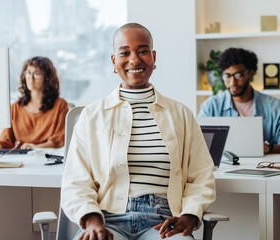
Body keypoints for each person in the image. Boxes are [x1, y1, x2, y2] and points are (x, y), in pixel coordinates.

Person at [61, 23, 216, 240]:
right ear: (114, 61)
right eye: (125, 52)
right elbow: (75, 181)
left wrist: (190, 215)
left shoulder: (181, 114)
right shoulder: (91, 116)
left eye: (143, 51)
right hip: (107, 218)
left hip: (163, 222)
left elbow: (201, 176)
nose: (134, 59)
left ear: (153, 57)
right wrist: (91, 220)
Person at [198, 47, 280, 154]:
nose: (232, 82)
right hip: (222, 169)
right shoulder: (211, 106)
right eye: (227, 76)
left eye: (238, 75)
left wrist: (270, 148)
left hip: (264, 168)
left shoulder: (276, 107)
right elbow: (197, 145)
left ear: (251, 74)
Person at [0, 56, 69, 150]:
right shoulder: (15, 108)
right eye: (28, 73)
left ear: (47, 78)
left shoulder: (60, 105)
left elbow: (59, 140)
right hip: (22, 159)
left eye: (36, 73)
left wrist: (35, 147)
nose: (31, 78)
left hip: (48, 158)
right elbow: (5, 141)